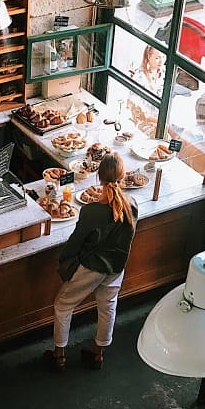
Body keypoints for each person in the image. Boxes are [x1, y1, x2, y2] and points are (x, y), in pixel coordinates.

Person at [45, 152, 138, 372]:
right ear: (122, 176)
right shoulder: (132, 204)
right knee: (108, 306)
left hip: (92, 267)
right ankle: (98, 354)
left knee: (63, 306)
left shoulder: (91, 212)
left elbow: (75, 243)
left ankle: (59, 355)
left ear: (99, 177)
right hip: (117, 267)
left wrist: (64, 261)